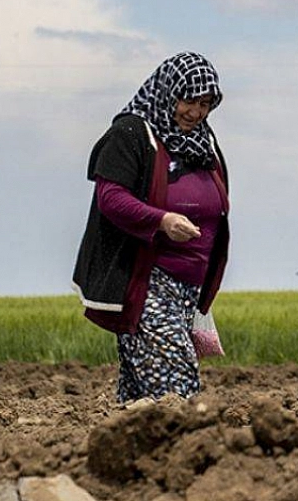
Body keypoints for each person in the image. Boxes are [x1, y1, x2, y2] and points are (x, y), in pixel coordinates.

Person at [71, 52, 230, 403]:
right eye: (189, 100)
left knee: (141, 396)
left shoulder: (205, 142)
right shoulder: (131, 134)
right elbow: (110, 198)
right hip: (145, 283)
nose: (196, 112)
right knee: (177, 388)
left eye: (205, 104)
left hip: (188, 290)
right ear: (168, 92)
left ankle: (130, 452)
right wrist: (162, 220)